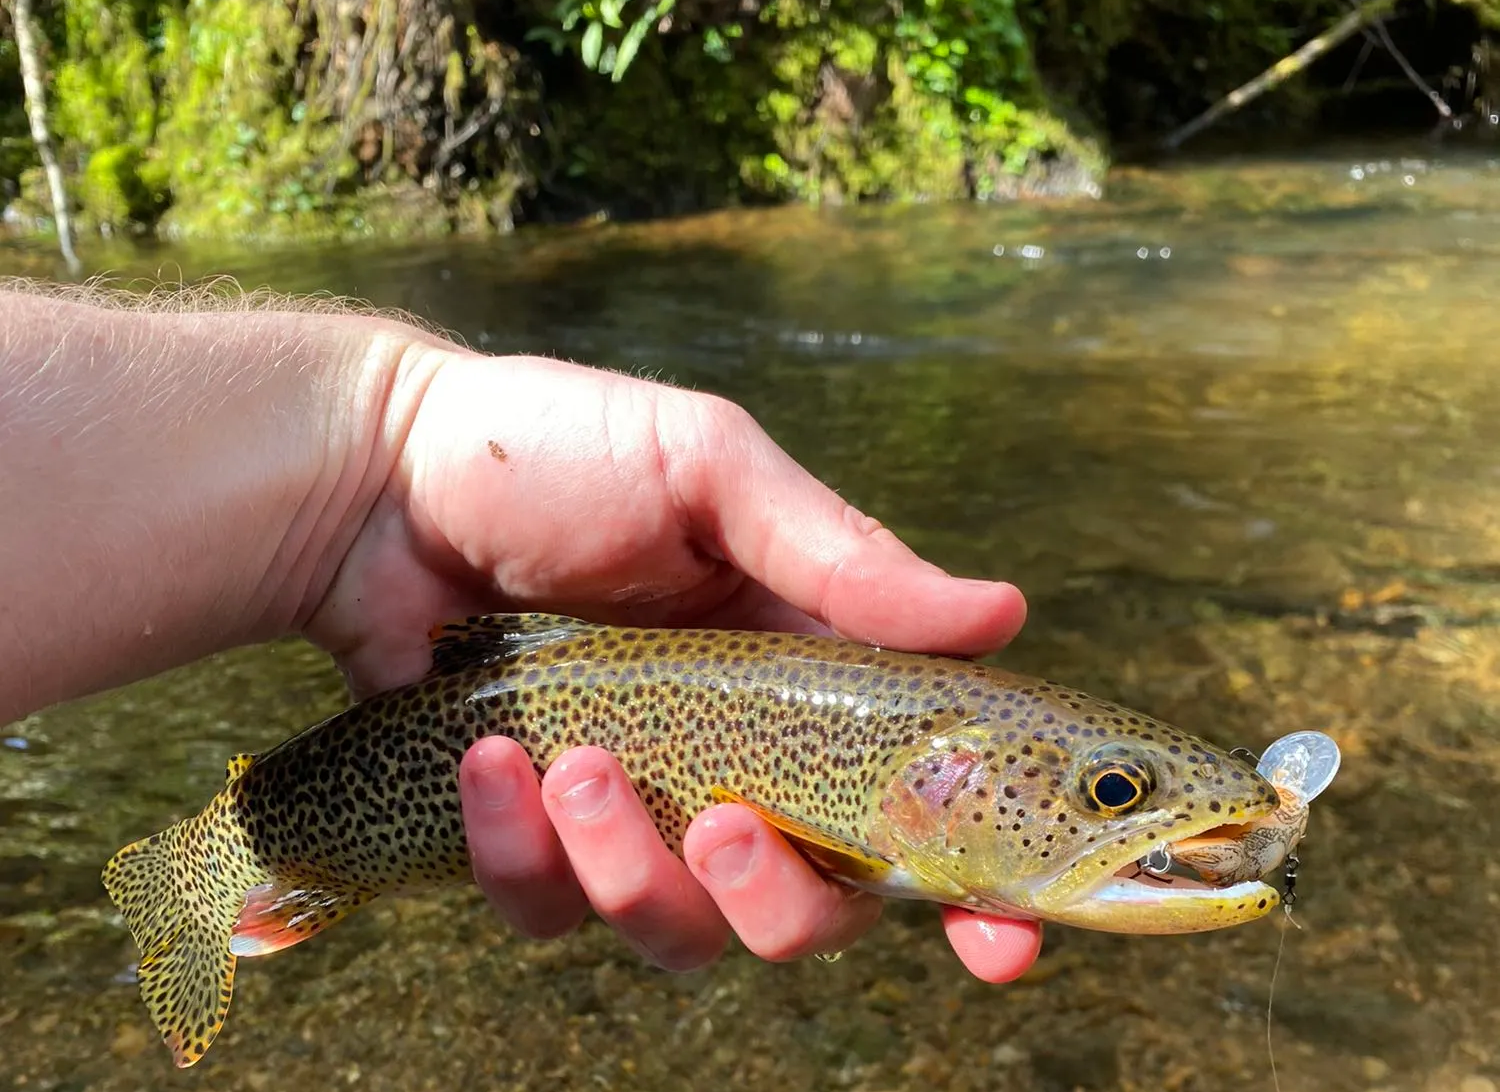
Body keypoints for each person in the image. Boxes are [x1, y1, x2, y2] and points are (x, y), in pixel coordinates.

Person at [0, 279, 1042, 982]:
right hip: (367, 774)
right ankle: (193, 886)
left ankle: (205, 885)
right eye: (1111, 792)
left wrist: (383, 461)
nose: (1118, 809)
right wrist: (378, 463)